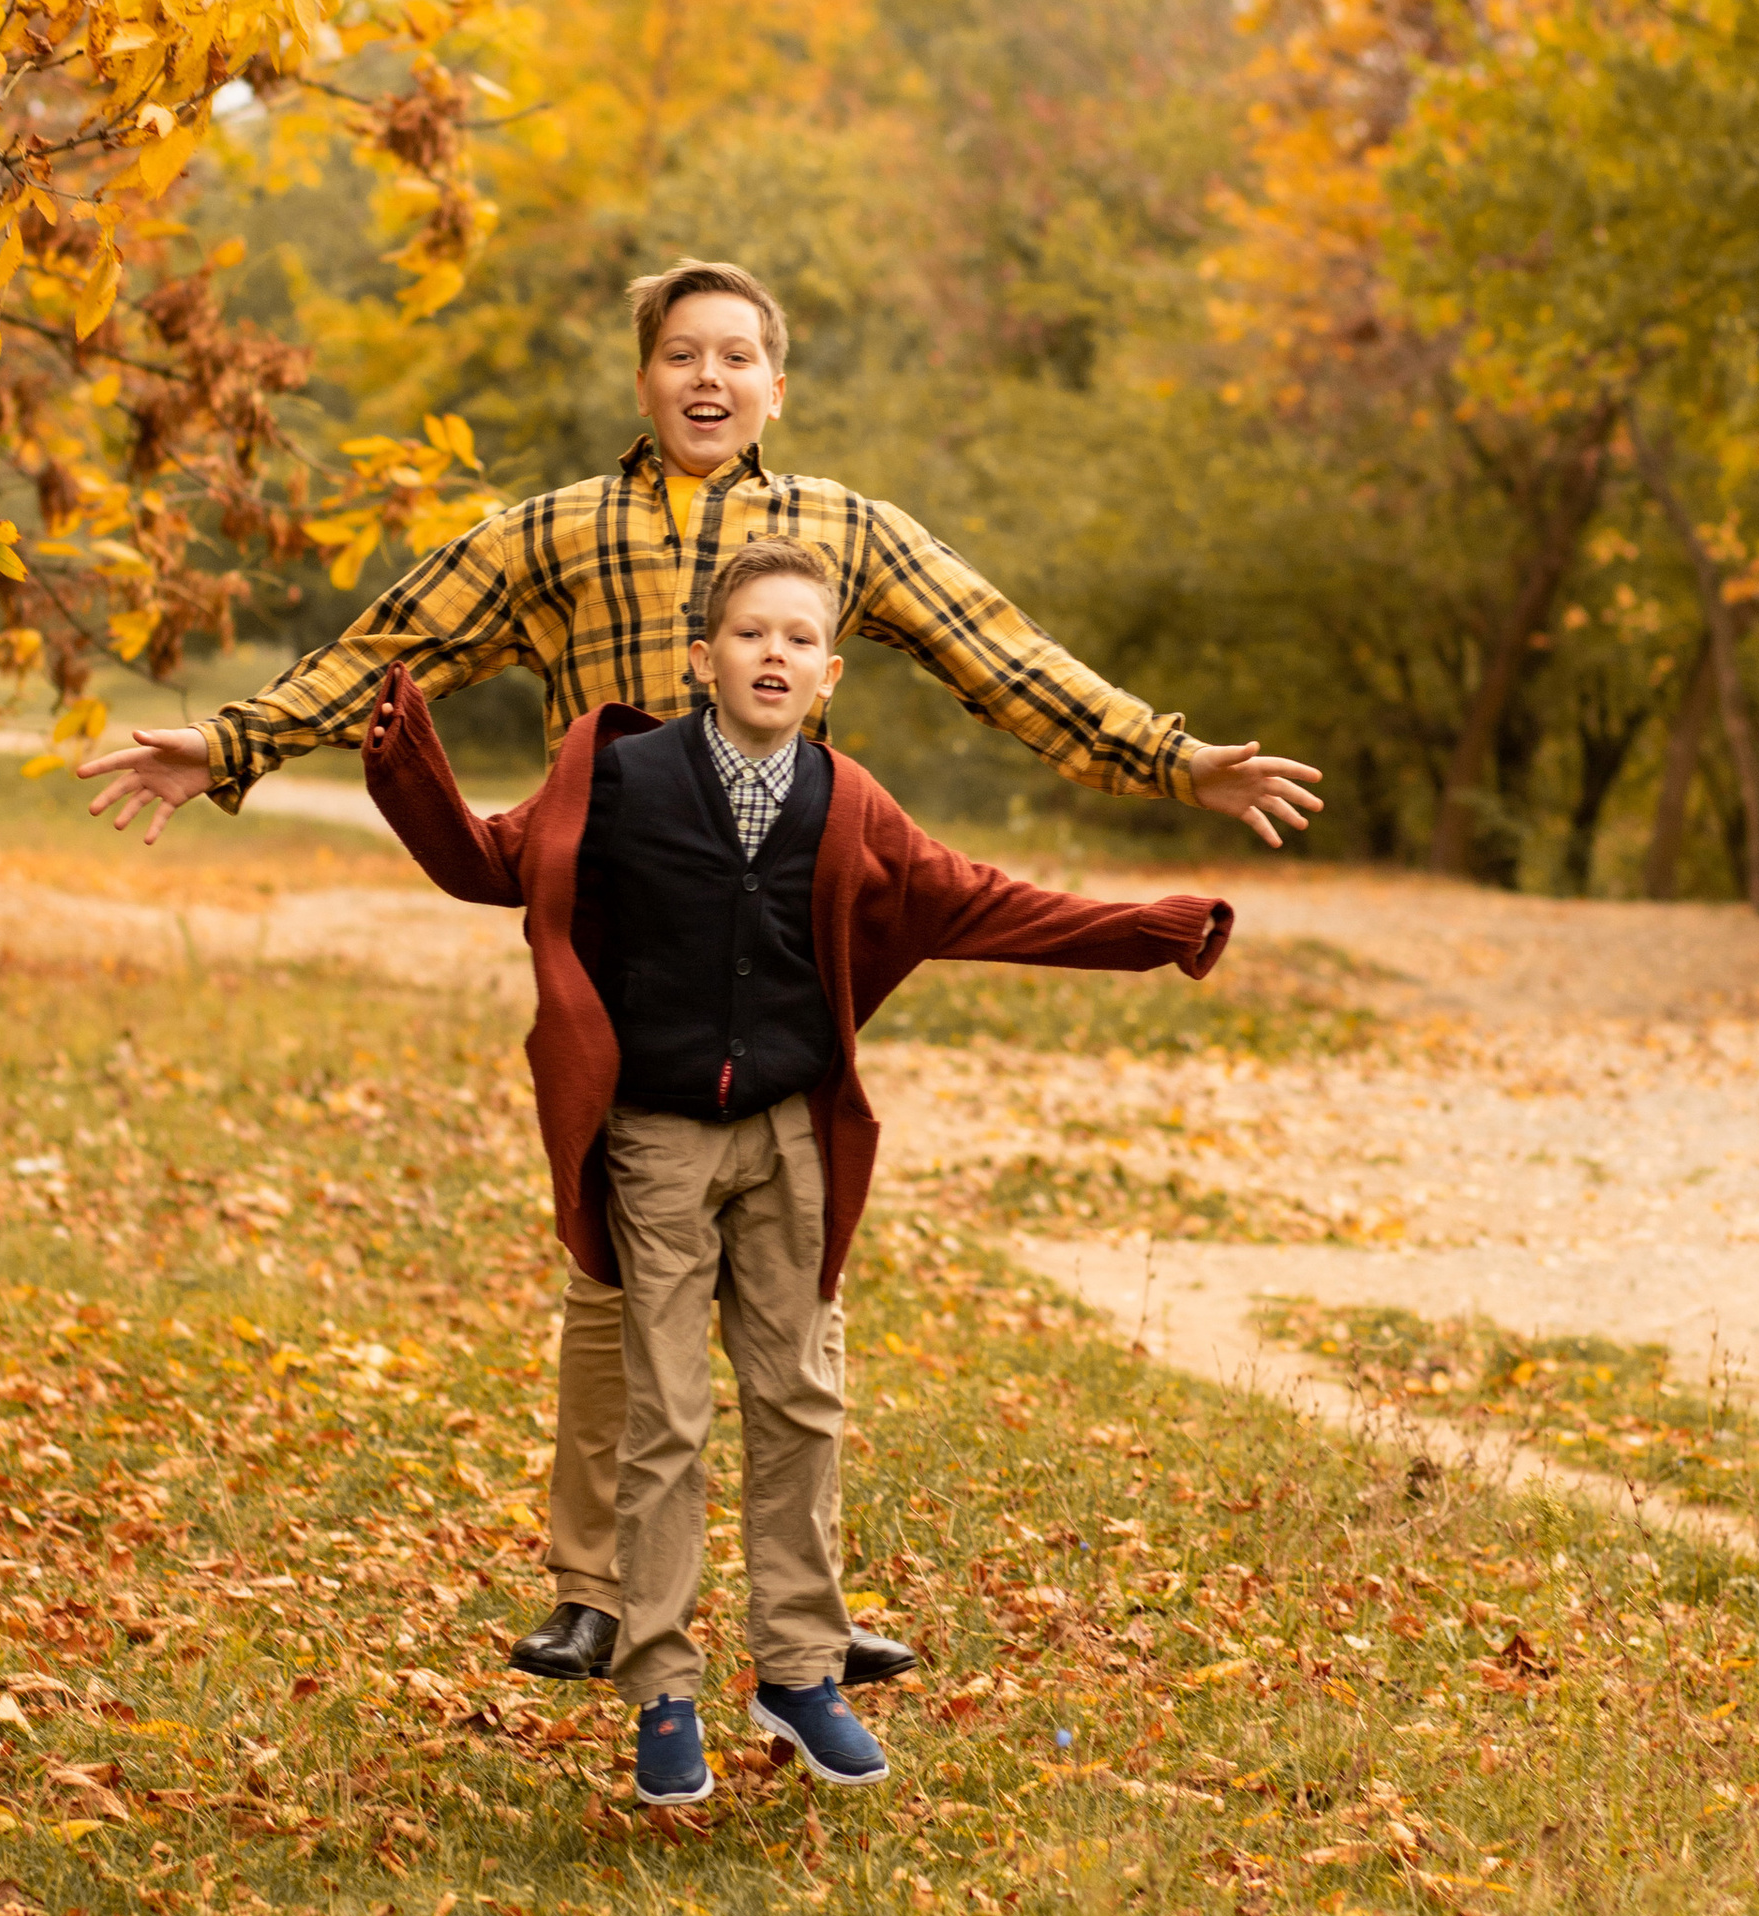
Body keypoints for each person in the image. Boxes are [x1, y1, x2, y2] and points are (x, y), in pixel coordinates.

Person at [74, 255, 1323, 1685]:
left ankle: (805, 1600)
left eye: (738, 355)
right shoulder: (557, 530)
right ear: (645, 375)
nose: (709, 378)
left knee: (794, 1276)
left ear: (778, 385)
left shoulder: (845, 531)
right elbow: (387, 653)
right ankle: (598, 1586)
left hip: (783, 924)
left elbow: (1006, 660)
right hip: (619, 940)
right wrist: (231, 742)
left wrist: (1174, 760)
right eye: (682, 354)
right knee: (615, 1271)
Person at [361, 538, 1237, 1803]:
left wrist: (1152, 931)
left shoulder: (849, 802)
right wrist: (407, 765)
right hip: (656, 1141)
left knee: (801, 1402)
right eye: (749, 633)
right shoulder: (618, 780)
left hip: (787, 1137)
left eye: (797, 641)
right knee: (665, 1416)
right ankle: (662, 1686)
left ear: (827, 674)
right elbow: (486, 861)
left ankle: (798, 1667)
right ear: (702, 657)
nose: (772, 654)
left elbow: (979, 902)